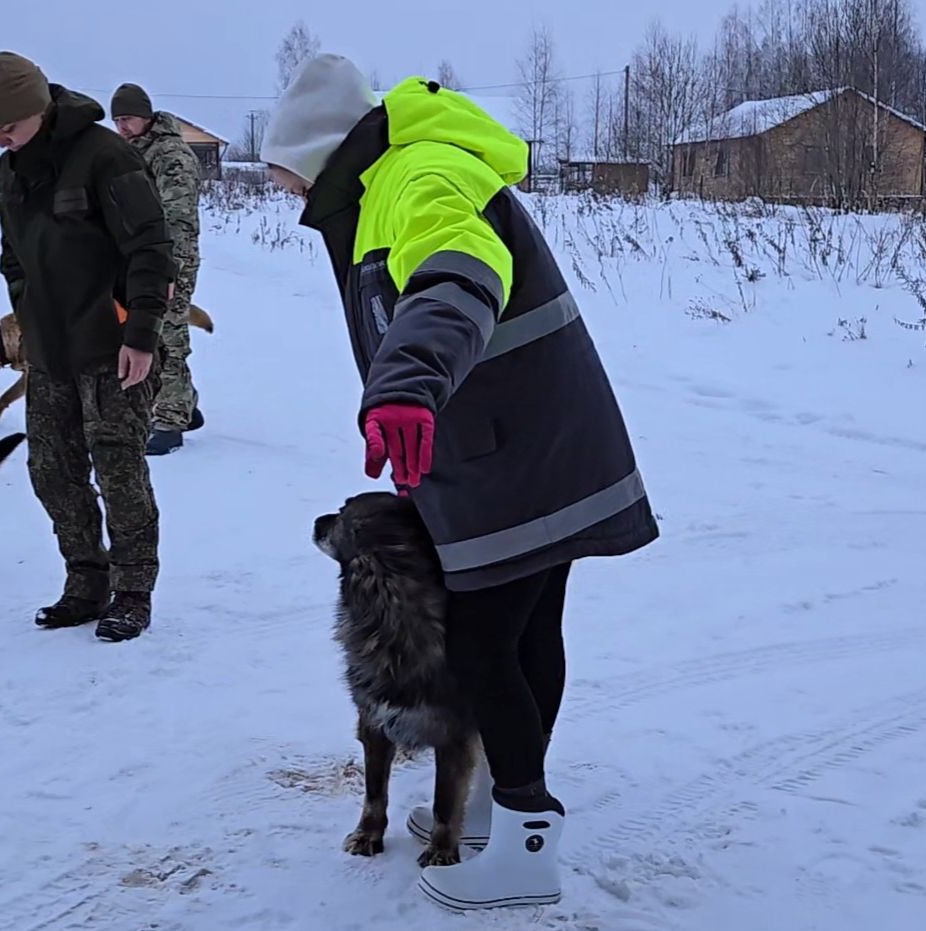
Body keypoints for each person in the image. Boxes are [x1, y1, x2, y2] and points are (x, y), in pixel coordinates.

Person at [260, 53, 659, 909]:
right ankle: (495, 811)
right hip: (523, 440)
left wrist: (403, 383)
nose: (288, 198)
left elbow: (456, 276)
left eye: (287, 180)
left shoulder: (418, 173)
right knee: (520, 633)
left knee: (478, 646)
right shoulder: (393, 178)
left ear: (319, 155)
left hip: (512, 452)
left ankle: (523, 840)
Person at [0, 51, 175, 642]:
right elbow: (15, 255)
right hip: (51, 349)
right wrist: (28, 310)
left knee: (118, 470)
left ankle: (133, 591)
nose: (0, 137)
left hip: (114, 348)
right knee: (52, 471)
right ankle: (86, 581)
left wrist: (140, 334)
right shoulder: (12, 172)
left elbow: (151, 250)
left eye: (9, 125)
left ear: (39, 107)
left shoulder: (104, 156)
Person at [111, 83, 205, 456]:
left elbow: (177, 217)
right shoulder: (134, 152)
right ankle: (184, 403)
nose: (122, 127)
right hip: (141, 258)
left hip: (169, 259)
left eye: (128, 119)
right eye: (117, 120)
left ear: (147, 115)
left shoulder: (171, 155)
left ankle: (168, 422)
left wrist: (165, 269)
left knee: (165, 335)